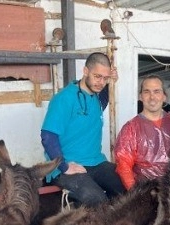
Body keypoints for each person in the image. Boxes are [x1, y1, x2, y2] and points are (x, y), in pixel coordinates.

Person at [40, 52, 126, 207]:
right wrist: (64, 166)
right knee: (97, 200)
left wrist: (110, 81)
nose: (101, 82)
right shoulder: (64, 98)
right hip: (66, 166)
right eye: (97, 76)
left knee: (127, 189)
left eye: (105, 78)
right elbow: (48, 136)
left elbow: (101, 103)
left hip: (96, 162)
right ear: (85, 71)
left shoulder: (96, 98)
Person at [114, 75, 170, 190]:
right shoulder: (131, 128)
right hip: (145, 193)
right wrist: (136, 194)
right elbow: (123, 166)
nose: (152, 97)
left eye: (157, 91)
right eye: (147, 92)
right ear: (140, 96)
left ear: (164, 96)